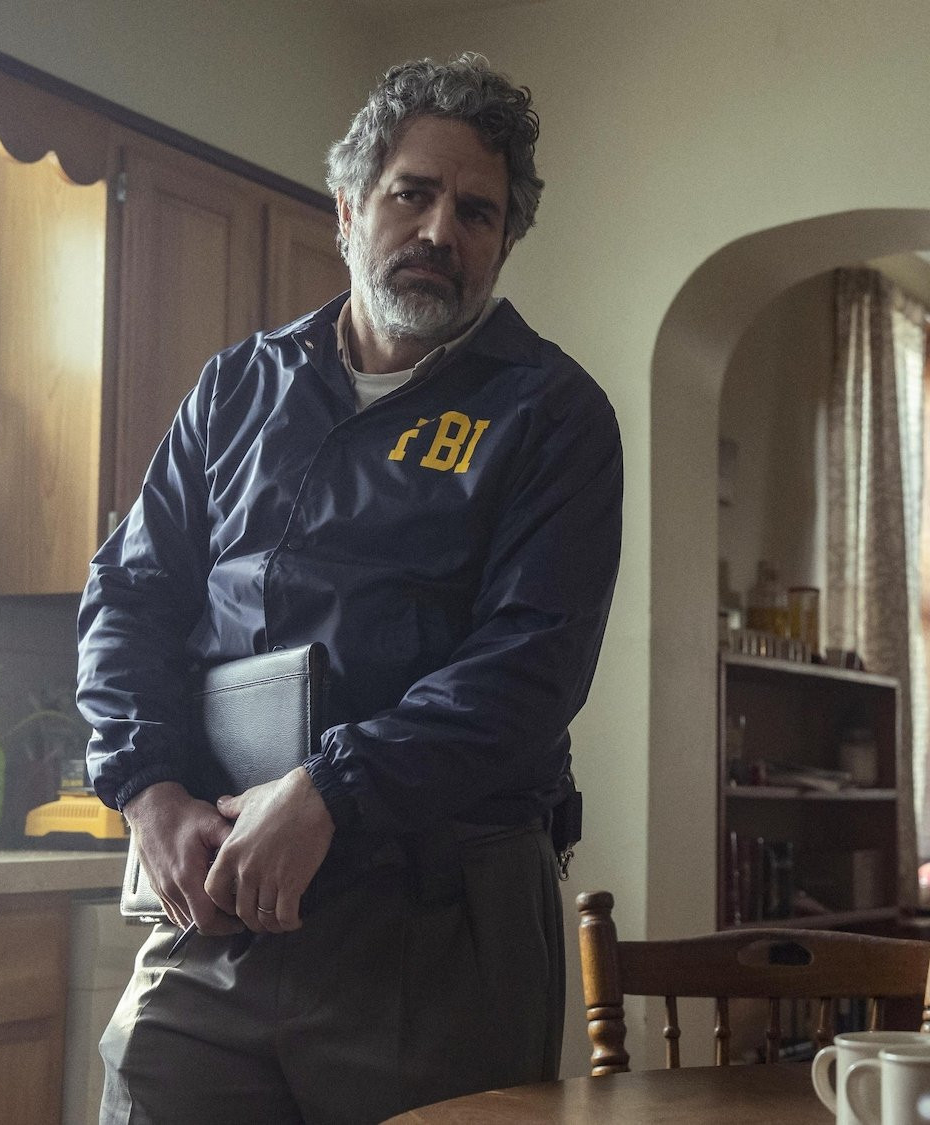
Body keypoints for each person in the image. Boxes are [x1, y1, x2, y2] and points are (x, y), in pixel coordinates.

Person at [77, 54, 622, 1123]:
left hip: (439, 922)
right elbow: (128, 599)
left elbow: (531, 665)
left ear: (504, 242)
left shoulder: (554, 413)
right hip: (215, 906)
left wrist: (332, 789)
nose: (439, 231)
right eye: (411, 194)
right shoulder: (236, 388)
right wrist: (146, 789)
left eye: (476, 212)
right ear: (348, 206)